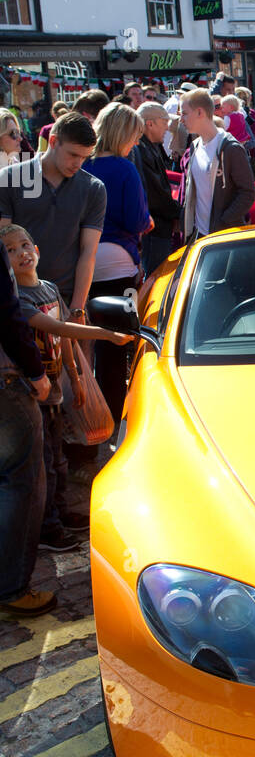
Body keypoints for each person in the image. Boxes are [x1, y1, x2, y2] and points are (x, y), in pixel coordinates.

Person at [0, 223, 131, 551]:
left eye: (25, 245)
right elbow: (57, 326)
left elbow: (66, 339)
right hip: (33, 393)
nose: (21, 254)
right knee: (42, 464)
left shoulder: (49, 288)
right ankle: (47, 528)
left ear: (37, 250)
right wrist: (107, 335)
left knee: (58, 459)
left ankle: (57, 513)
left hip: (56, 391)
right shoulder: (17, 300)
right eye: (10, 251)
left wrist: (74, 377)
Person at [82, 103, 151, 430]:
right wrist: (147, 222)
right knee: (114, 347)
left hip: (82, 263)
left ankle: (84, 422)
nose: (135, 144)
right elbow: (137, 220)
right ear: (123, 134)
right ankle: (109, 421)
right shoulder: (125, 170)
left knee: (84, 348)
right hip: (118, 262)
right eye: (134, 137)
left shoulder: (82, 165)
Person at [0, 112, 106, 323]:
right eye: (73, 155)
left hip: (66, 298)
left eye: (84, 157)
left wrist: (77, 309)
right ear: (54, 141)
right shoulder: (11, 177)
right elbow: (3, 245)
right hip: (20, 300)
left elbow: (88, 253)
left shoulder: (93, 188)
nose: (78, 163)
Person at [0, 237, 53, 615]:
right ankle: (12, 588)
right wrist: (36, 372)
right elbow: (8, 313)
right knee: (20, 482)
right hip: (5, 379)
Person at [181, 89, 255, 242]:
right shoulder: (195, 146)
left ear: (200, 112)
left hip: (223, 239)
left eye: (184, 113)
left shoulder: (231, 148)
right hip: (199, 236)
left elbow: (248, 193)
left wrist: (224, 221)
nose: (181, 119)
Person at [132, 102, 179, 278]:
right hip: (154, 229)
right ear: (149, 124)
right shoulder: (140, 149)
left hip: (158, 226)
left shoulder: (149, 146)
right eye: (164, 122)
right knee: (155, 279)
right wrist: (178, 213)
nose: (168, 127)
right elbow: (155, 193)